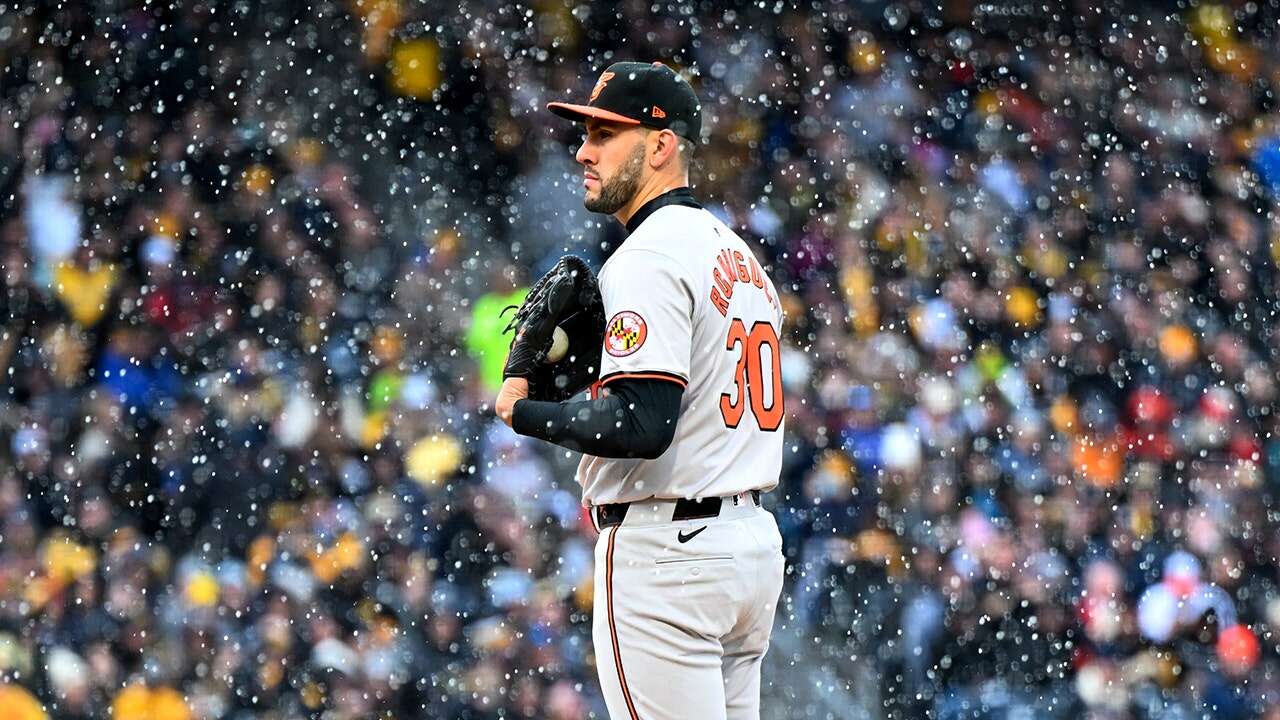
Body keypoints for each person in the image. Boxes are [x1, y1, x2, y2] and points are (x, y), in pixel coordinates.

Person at [494, 61, 786, 720]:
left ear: (661, 145)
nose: (584, 151)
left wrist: (524, 409)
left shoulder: (649, 256)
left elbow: (642, 425)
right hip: (745, 550)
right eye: (586, 134)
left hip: (668, 557)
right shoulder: (737, 255)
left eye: (605, 134)